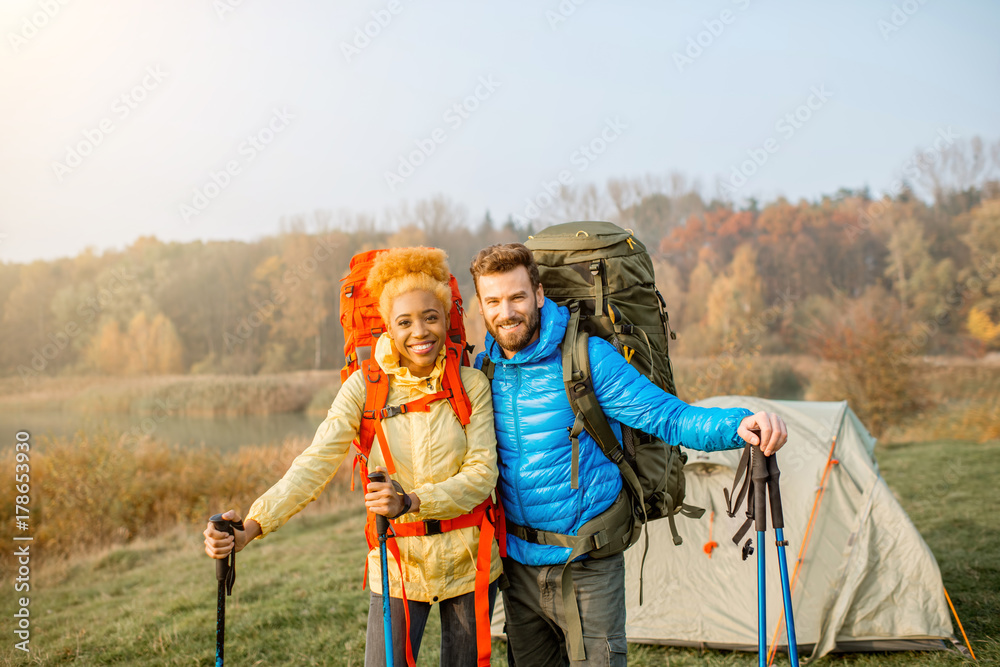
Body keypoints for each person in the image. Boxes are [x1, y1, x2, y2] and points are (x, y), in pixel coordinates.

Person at [468, 243, 789, 667]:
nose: (506, 311)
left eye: (516, 297)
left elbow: (668, 417)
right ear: (481, 305)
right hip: (519, 570)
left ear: (539, 294)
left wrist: (739, 424)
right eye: (493, 301)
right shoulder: (483, 369)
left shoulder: (587, 357)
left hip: (586, 563)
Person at [203, 247, 502, 667]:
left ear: (446, 318)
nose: (420, 332)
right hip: (398, 564)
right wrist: (252, 526)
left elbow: (482, 474)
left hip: (470, 562)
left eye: (430, 317)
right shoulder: (365, 388)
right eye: (405, 321)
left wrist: (410, 502)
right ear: (388, 326)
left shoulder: (471, 384)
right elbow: (315, 462)